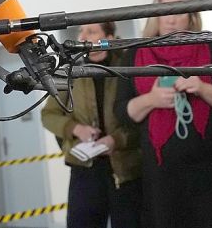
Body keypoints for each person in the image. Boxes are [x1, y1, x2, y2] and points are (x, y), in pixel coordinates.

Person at [115, 0, 212, 228]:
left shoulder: (210, 47)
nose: (170, 19)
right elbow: (122, 112)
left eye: (178, 11)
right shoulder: (134, 55)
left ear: (191, 16)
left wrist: (201, 87)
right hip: (162, 175)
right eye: (163, 11)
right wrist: (151, 99)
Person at [41, 22, 142, 228]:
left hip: (125, 168)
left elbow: (141, 119)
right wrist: (75, 129)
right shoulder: (69, 71)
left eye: (92, 31)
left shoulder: (127, 67)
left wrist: (116, 140)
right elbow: (49, 115)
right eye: (81, 31)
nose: (83, 36)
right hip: (84, 168)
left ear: (110, 38)